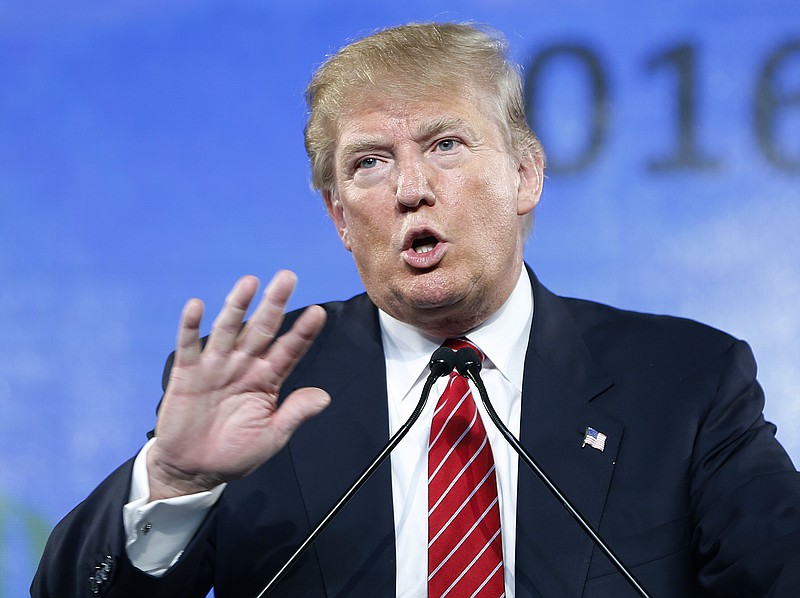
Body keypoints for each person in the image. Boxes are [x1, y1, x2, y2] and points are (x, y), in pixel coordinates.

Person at [32, 22, 800, 598]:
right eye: (370, 163)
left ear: (526, 175)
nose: (410, 189)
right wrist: (172, 477)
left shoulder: (685, 381)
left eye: (446, 146)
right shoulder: (263, 390)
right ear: (338, 217)